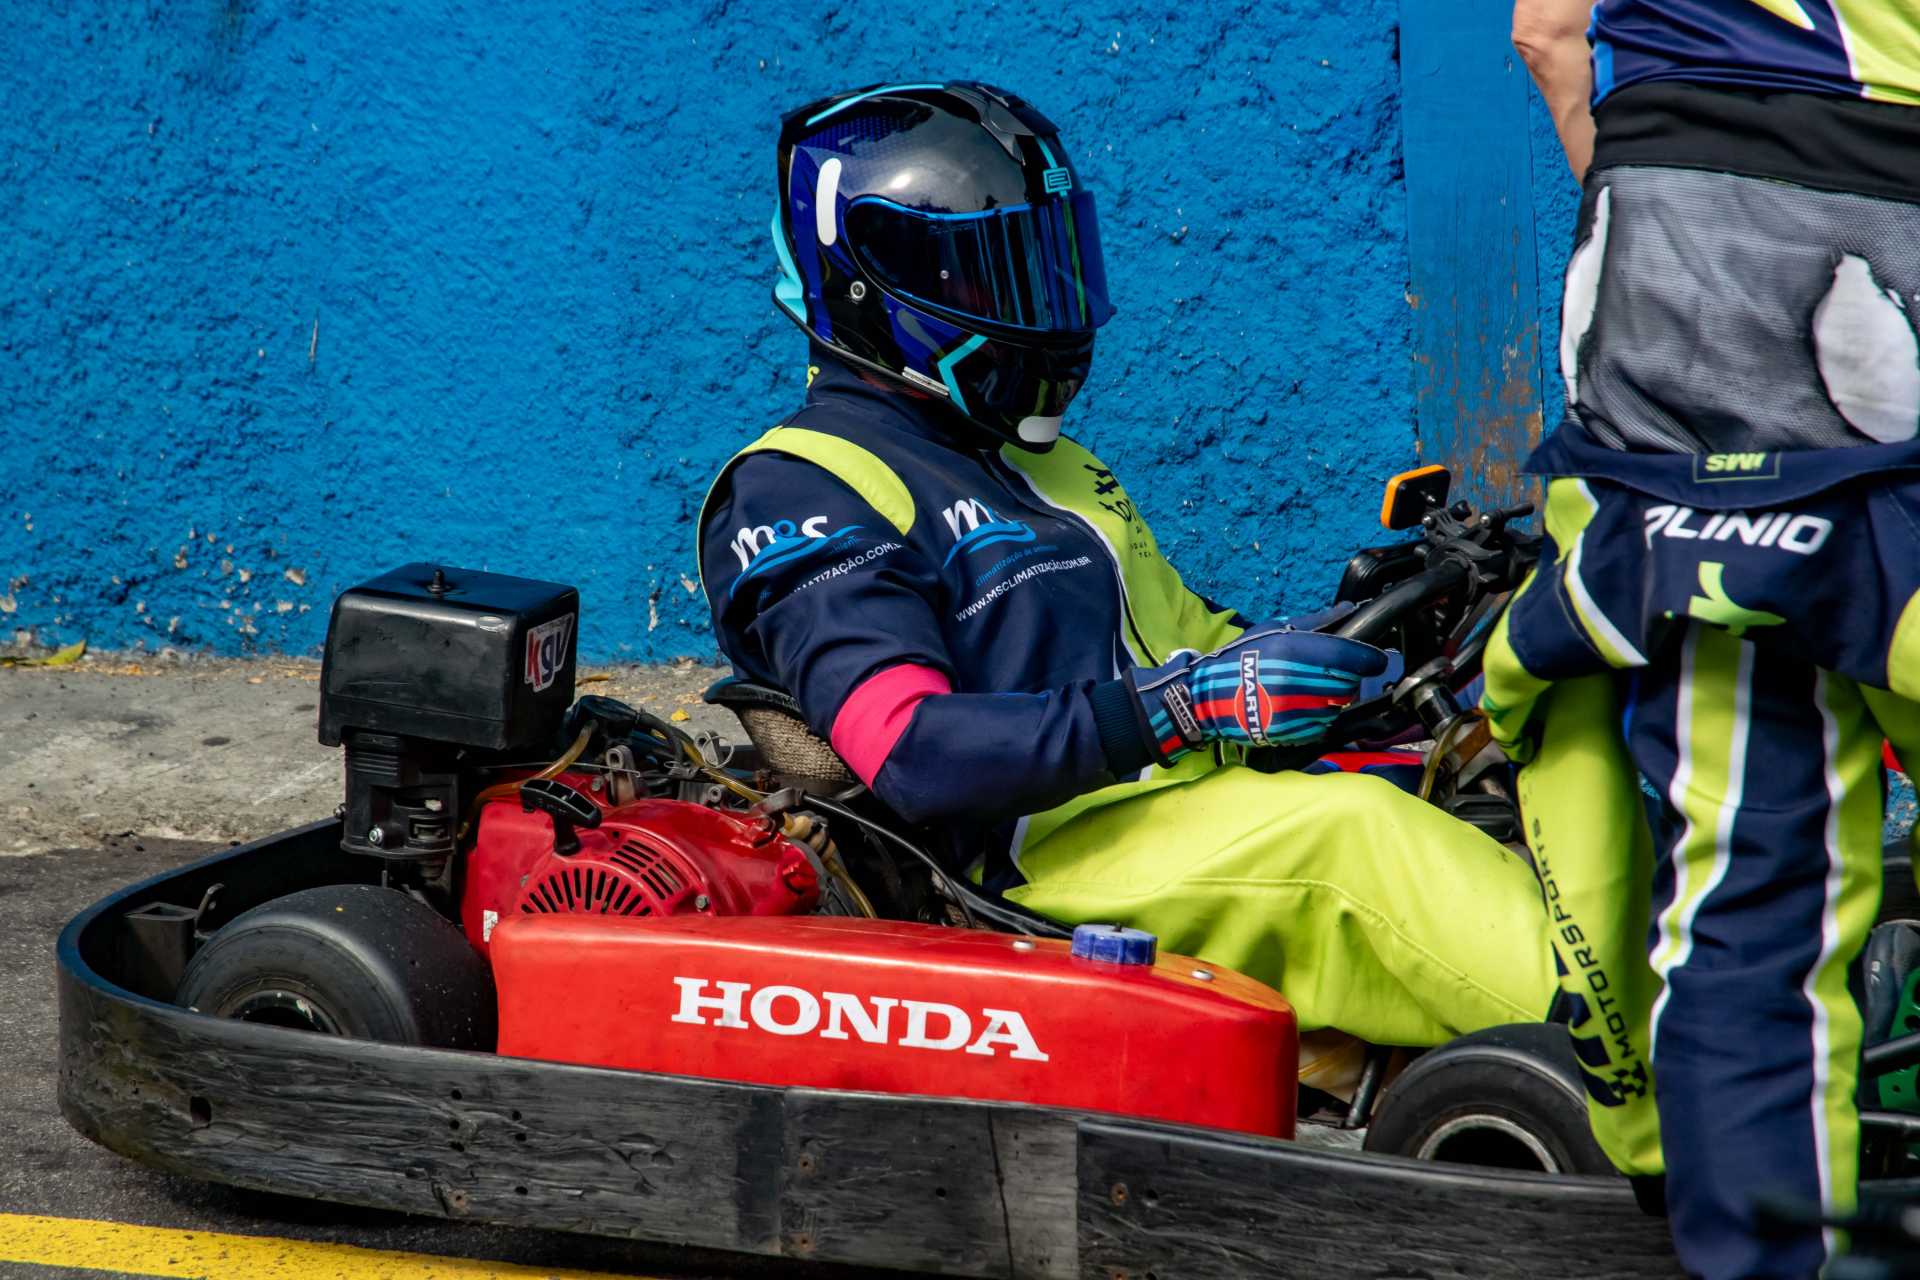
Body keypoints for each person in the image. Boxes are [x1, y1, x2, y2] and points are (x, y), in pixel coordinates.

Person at [697, 80, 1554, 1072]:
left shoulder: (1053, 466)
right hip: (1049, 864)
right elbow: (911, 750)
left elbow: (1196, 645)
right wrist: (1184, 706)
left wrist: (1364, 644)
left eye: (1036, 264)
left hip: (1198, 802)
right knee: (1351, 836)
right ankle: (1647, 1070)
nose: (1030, 303)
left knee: (1510, 767)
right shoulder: (799, 486)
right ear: (869, 286)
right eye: (985, 276)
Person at [1495, 4, 1920, 1276]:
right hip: (1892, 211)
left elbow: (1548, 31)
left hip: (1661, 257)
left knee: (1748, 877)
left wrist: (1672, 252)